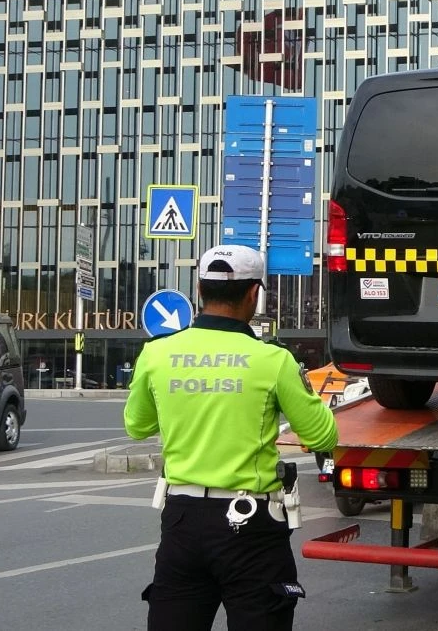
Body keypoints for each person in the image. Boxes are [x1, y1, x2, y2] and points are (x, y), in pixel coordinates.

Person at [124, 245, 338, 631]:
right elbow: (322, 435)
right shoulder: (273, 360)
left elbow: (137, 426)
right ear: (254, 294)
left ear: (199, 289)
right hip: (251, 528)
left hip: (181, 521)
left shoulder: (156, 354)